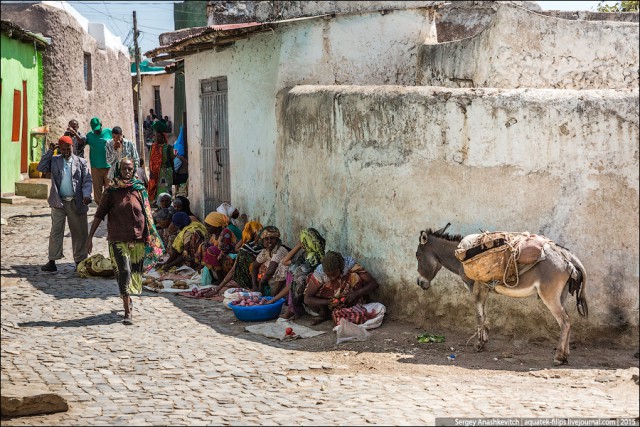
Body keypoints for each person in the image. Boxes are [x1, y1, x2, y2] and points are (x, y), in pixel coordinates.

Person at [86, 158, 163, 325]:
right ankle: (127, 311)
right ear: (118, 170)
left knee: (134, 273)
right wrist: (90, 237)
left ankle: (127, 298)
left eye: (129, 169)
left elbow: (148, 214)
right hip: (117, 238)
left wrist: (151, 235)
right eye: (123, 169)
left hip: (138, 238)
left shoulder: (139, 189)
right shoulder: (111, 191)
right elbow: (99, 215)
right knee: (125, 271)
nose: (127, 172)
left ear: (133, 169)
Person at [37, 135, 93, 272]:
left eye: (68, 149)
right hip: (58, 202)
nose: (66, 152)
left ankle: (80, 261)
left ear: (72, 147)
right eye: (63, 149)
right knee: (56, 231)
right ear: (59, 149)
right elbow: (41, 167)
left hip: (76, 201)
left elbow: (87, 180)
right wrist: (50, 152)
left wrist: (86, 195)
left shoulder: (81, 162)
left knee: (79, 232)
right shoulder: (55, 160)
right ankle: (52, 260)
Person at [304, 251, 379, 326]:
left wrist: (355, 294)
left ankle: (350, 308)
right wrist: (328, 302)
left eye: (334, 274)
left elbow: (374, 284)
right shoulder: (320, 273)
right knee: (314, 284)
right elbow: (307, 299)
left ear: (340, 267)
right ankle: (325, 313)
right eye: (328, 275)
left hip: (348, 297)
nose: (332, 277)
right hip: (329, 299)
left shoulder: (349, 264)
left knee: (354, 276)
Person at [268, 228, 326, 319]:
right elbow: (285, 261)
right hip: (303, 287)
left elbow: (293, 283)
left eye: (302, 240)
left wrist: (274, 299)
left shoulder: (313, 259)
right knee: (291, 271)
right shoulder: (306, 254)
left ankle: (292, 310)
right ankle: (293, 307)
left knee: (295, 276)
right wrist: (298, 246)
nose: (300, 241)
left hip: (310, 291)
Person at [204, 221, 263, 297]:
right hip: (259, 281)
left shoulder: (245, 250)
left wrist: (217, 290)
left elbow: (233, 270)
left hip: (248, 281)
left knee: (224, 290)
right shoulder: (262, 246)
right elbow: (237, 248)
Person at [251, 226, 289, 297]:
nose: (269, 241)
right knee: (262, 265)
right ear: (263, 241)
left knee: (282, 266)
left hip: (283, 284)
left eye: (272, 238)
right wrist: (254, 285)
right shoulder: (266, 251)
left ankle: (274, 296)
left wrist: (261, 283)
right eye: (266, 239)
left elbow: (271, 270)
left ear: (277, 240)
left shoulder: (281, 250)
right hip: (272, 282)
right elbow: (254, 266)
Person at [85, 117, 113, 205]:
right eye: (95, 129)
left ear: (101, 124)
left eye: (98, 128)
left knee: (110, 189)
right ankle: (101, 209)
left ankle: (109, 209)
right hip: (96, 168)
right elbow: (81, 144)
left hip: (109, 167)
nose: (97, 131)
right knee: (97, 191)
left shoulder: (108, 132)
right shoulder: (89, 136)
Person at [148, 120, 174, 204]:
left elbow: (171, 160)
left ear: (163, 137)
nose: (157, 138)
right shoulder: (153, 147)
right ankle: (159, 205)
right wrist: (151, 171)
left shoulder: (168, 147)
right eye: (156, 136)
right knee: (156, 189)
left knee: (164, 189)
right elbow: (150, 160)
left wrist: (173, 172)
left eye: (159, 136)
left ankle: (166, 204)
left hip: (165, 172)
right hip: (155, 172)